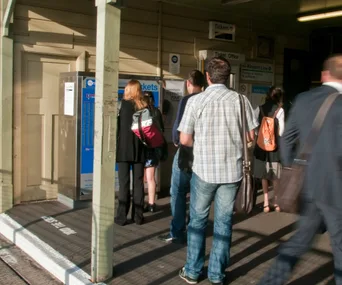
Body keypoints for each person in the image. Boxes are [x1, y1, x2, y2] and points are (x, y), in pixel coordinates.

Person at [257, 54, 342, 285]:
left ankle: (270, 282)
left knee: (300, 240)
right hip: (336, 187)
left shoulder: (304, 99)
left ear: (325, 75)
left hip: (308, 183)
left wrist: (293, 167)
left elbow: (286, 139)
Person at [178, 57, 258, 285]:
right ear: (228, 77)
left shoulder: (196, 101)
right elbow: (251, 137)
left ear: (208, 76)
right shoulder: (241, 101)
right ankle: (216, 275)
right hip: (232, 172)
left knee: (197, 221)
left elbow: (184, 139)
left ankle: (192, 272)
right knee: (223, 223)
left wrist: (202, 144)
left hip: (203, 170)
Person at [158, 70, 205, 243]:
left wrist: (176, 140)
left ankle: (177, 230)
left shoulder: (187, 100)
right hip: (203, 153)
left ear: (188, 83)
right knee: (197, 192)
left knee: (177, 191)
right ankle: (195, 230)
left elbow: (179, 128)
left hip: (186, 152)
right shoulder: (207, 100)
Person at [115, 80, 147, 226]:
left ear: (128, 90)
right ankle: (138, 217)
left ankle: (122, 217)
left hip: (123, 149)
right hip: (140, 149)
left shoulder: (122, 106)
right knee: (138, 183)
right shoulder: (144, 107)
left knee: (124, 183)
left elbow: (116, 128)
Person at [253, 87, 285, 213]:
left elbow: (255, 128)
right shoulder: (280, 110)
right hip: (275, 147)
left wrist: (262, 135)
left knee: (264, 175)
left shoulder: (259, 108)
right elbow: (282, 131)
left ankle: (266, 203)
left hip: (261, 147)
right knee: (275, 175)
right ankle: (276, 202)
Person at [143, 91, 164, 212]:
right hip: (154, 148)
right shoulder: (157, 112)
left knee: (141, 178)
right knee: (151, 178)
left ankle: (140, 202)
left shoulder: (140, 112)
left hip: (142, 148)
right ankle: (151, 204)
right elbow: (161, 129)